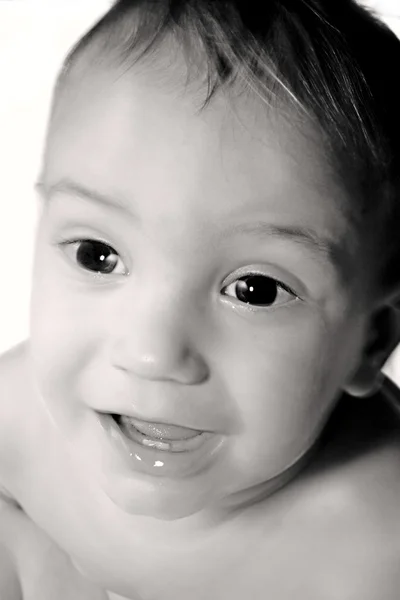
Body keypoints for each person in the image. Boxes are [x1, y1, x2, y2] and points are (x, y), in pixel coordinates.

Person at [1, 0, 400, 598]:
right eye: (97, 255)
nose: (152, 353)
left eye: (255, 290)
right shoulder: (22, 417)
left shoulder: (372, 549)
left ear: (369, 342)